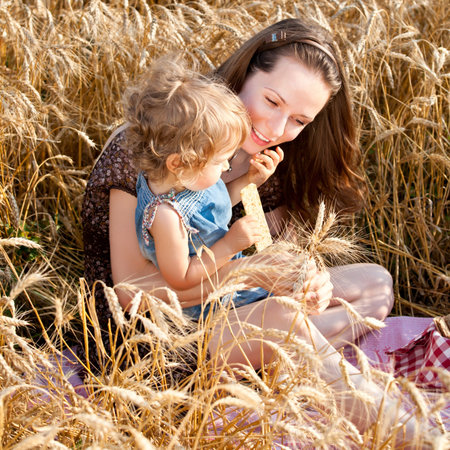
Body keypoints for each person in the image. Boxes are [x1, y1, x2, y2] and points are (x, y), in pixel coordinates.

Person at [82, 17, 424, 441]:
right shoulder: (150, 148)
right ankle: (406, 431)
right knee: (280, 318)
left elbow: (266, 250)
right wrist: (256, 274)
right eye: (272, 101)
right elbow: (135, 291)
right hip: (149, 338)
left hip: (225, 308)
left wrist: (305, 277)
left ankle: (277, 361)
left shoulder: (267, 162)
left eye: (299, 120)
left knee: (375, 285)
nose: (278, 130)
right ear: (244, 74)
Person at [129, 55, 286, 320]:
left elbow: (216, 203)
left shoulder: (183, 179)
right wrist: (230, 244)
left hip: (228, 283)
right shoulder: (166, 216)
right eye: (221, 161)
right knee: (289, 312)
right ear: (178, 162)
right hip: (209, 307)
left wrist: (251, 179)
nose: (227, 168)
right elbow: (181, 277)